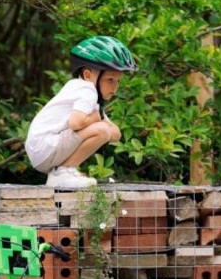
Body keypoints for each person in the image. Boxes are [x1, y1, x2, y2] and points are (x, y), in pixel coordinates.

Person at [25, 35, 138, 188]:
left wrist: (98, 120)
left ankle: (63, 172)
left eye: (118, 81)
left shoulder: (81, 90)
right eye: (110, 80)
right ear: (88, 75)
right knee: (102, 130)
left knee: (103, 130)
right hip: (45, 147)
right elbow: (76, 123)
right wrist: (98, 120)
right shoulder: (87, 90)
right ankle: (62, 173)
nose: (115, 87)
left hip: (41, 150)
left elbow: (116, 134)